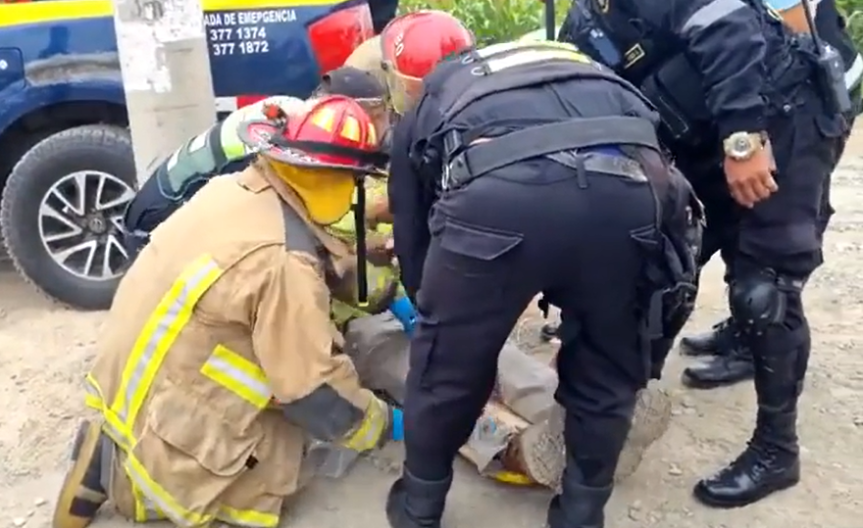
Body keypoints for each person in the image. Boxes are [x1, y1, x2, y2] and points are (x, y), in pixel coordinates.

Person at [379, 11, 702, 528]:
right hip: (631, 195)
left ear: (404, 77)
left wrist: (440, 314)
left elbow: (414, 233)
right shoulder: (561, 58)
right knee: (607, 370)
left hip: (500, 203)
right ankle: (581, 512)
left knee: (446, 372)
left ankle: (419, 508)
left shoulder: (435, 93)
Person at [51, 96, 402, 528]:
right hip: (176, 414)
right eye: (354, 180)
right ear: (338, 181)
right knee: (260, 484)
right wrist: (388, 423)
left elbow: (298, 254)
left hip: (132, 373)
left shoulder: (235, 190)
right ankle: (125, 479)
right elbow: (316, 395)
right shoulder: (285, 264)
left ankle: (122, 444)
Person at [558, 0, 845, 509]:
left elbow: (730, 29)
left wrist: (742, 142)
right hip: (696, 126)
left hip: (778, 115)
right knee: (668, 263)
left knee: (763, 290)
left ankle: (777, 450)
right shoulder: (580, 16)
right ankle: (633, 394)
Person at [680, 0, 863, 389]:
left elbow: (790, 28)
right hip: (782, 76)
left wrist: (749, 129)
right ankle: (743, 327)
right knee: (742, 212)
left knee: (774, 227)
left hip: (811, 84)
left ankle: (755, 342)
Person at [122, 66, 390, 260]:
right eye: (376, 117)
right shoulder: (272, 149)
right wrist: (361, 242)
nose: (383, 128)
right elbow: (299, 220)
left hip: (177, 209)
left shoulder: (293, 116)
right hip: (157, 229)